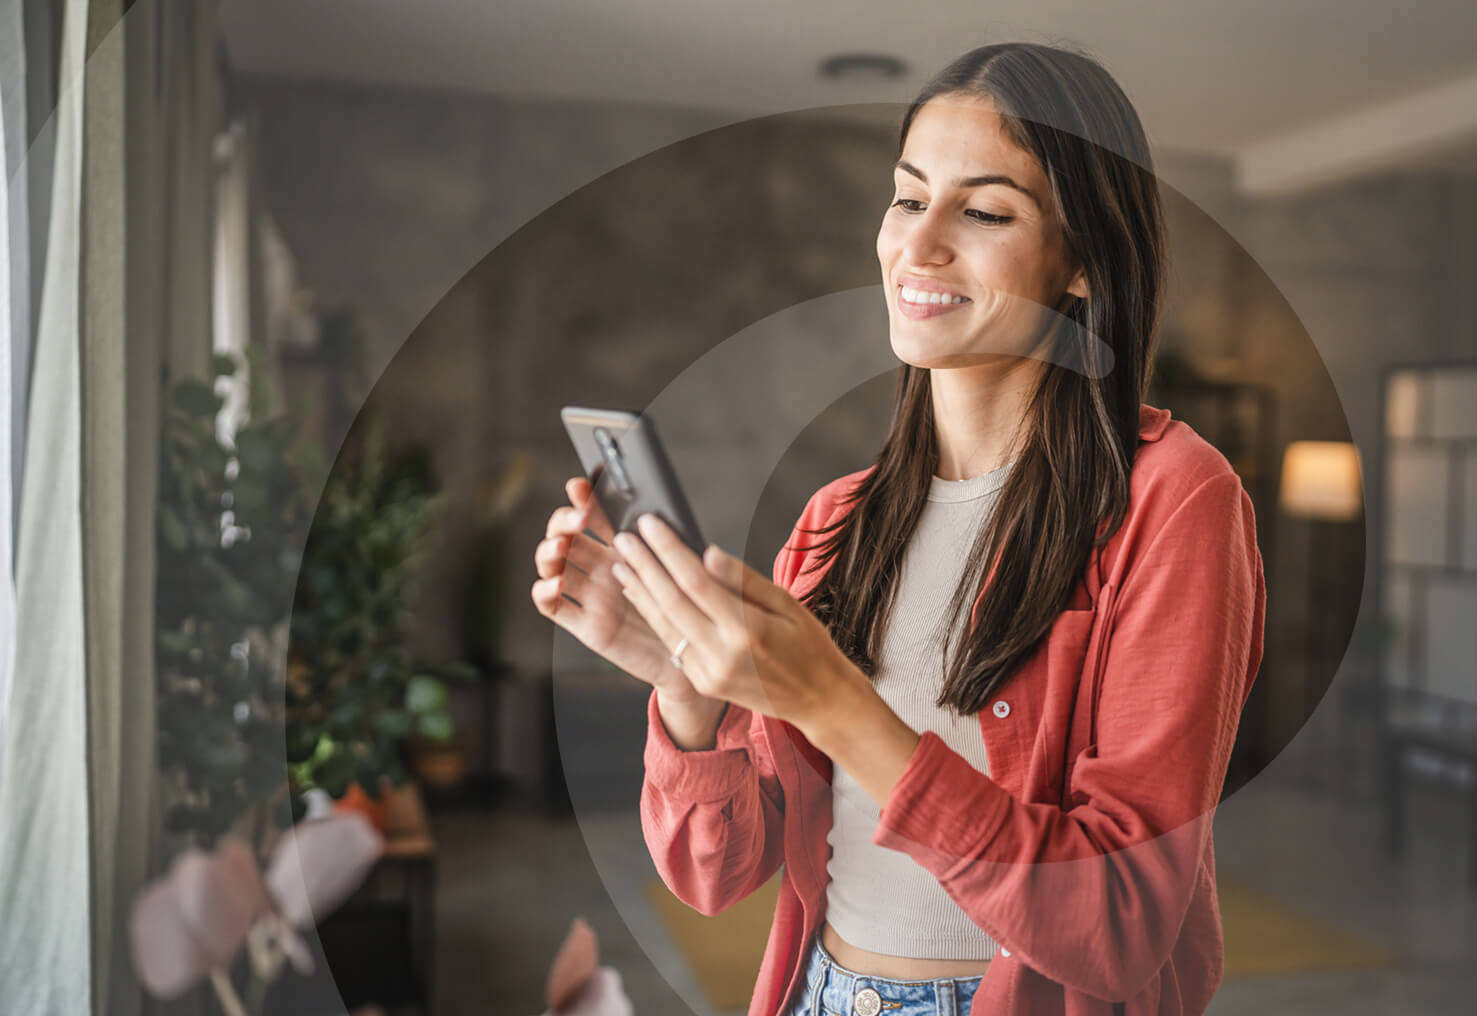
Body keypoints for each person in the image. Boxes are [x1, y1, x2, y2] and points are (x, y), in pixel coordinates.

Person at [532, 41, 1266, 1016]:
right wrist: (683, 681)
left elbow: (1120, 921)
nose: (918, 248)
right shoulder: (839, 518)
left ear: (1082, 262)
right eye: (908, 197)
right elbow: (714, 876)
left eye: (984, 211)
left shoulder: (1176, 500)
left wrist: (839, 704)